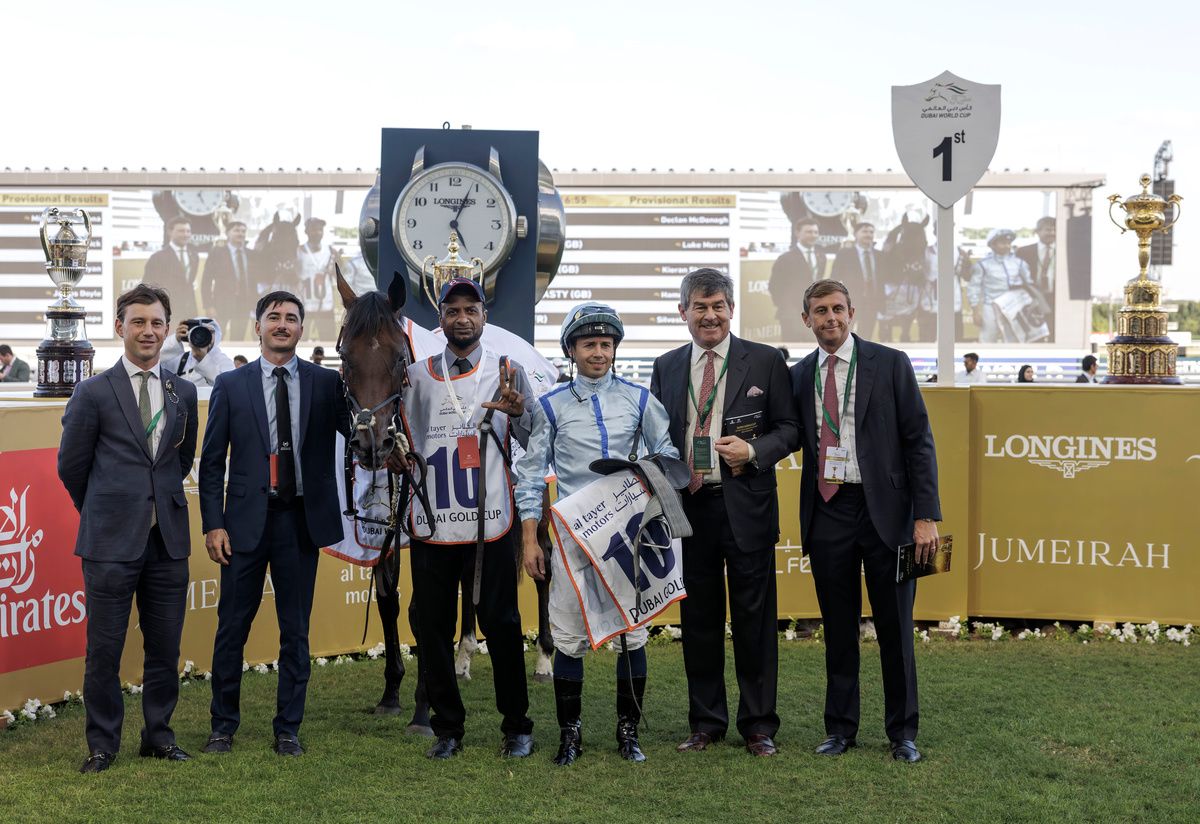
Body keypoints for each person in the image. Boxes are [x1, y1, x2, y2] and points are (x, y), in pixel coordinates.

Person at [516, 303, 676, 766]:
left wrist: (646, 477)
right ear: (571, 349)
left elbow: (665, 454)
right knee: (567, 634)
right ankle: (571, 735)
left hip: (628, 535)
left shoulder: (640, 399)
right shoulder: (550, 405)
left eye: (606, 344)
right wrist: (530, 539)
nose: (599, 352)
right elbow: (529, 477)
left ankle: (629, 734)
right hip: (571, 537)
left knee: (635, 631)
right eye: (590, 344)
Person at [650, 267, 800, 758]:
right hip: (690, 509)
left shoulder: (765, 361)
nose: (709, 315)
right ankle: (706, 722)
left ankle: (759, 725)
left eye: (717, 306)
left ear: (731, 309)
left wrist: (755, 451)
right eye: (699, 307)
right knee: (699, 620)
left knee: (755, 619)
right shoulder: (666, 366)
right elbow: (659, 437)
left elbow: (790, 428)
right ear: (683, 313)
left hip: (746, 505)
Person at [789, 279, 940, 763]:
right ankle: (840, 730)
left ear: (851, 312)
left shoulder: (890, 362)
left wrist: (925, 517)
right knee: (837, 628)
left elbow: (919, 441)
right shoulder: (798, 375)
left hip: (889, 516)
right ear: (806, 318)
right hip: (828, 510)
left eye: (837, 309)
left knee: (895, 629)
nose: (829, 318)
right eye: (819, 311)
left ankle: (903, 734)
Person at [198, 291, 351, 757]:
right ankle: (222, 726)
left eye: (291, 318)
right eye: (273, 317)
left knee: (296, 631)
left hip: (300, 523)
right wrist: (213, 524)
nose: (282, 324)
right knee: (231, 630)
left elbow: (364, 432)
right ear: (258, 324)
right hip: (244, 525)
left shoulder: (327, 385)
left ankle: (288, 728)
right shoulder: (231, 383)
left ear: (302, 328)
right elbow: (210, 464)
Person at [57, 284, 199, 773]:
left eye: (156, 322)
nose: (148, 331)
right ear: (120, 327)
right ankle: (103, 745)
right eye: (138, 322)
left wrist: (155, 502)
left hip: (168, 541)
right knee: (105, 651)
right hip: (109, 543)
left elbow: (180, 458)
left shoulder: (186, 390)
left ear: (166, 328)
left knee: (166, 648)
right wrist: (104, 508)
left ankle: (158, 736)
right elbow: (71, 467)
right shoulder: (92, 391)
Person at [402, 277, 536, 760]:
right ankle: (448, 729)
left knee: (501, 624)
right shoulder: (415, 377)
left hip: (490, 520)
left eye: (470, 309)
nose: (462, 318)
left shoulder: (507, 370)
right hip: (433, 522)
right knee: (433, 627)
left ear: (483, 317)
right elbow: (398, 440)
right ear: (440, 319)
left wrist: (520, 414)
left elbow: (534, 434)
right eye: (452, 310)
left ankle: (517, 725)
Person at [967, 228, 1034, 343]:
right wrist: (975, 311)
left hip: (1014, 307)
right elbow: (974, 288)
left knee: (1014, 340)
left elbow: (1029, 285)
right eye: (1002, 243)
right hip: (991, 307)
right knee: (988, 340)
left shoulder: (1019, 263)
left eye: (1008, 243)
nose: (1007, 246)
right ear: (992, 245)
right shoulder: (983, 264)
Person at [769, 218, 826, 341]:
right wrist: (787, 308)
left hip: (815, 314)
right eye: (809, 232)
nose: (813, 235)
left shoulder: (821, 256)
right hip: (791, 316)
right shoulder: (785, 258)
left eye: (816, 232)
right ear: (797, 233)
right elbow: (774, 287)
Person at [201, 221, 256, 340]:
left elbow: (254, 282)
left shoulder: (251, 254)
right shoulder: (217, 252)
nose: (240, 234)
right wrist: (208, 305)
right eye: (236, 230)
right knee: (214, 340)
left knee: (238, 339)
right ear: (227, 233)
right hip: (221, 303)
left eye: (243, 231)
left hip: (244, 304)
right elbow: (206, 281)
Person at [831, 222, 881, 339]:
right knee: (844, 335)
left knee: (866, 336)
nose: (868, 234)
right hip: (850, 302)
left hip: (873, 302)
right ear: (855, 234)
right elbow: (834, 278)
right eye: (864, 231)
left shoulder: (879, 255)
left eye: (871, 232)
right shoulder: (845, 254)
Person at [143, 217, 199, 321]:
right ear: (170, 232)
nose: (186, 234)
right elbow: (148, 287)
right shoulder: (158, 257)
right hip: (167, 312)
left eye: (188, 231)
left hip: (189, 311)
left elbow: (188, 284)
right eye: (181, 231)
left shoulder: (194, 255)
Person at [159, 318, 236, 387]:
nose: (203, 335)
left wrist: (203, 360)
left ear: (217, 336)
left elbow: (230, 386)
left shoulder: (224, 361)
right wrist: (175, 339)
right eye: (199, 332)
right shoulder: (179, 359)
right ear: (189, 334)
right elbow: (152, 358)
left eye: (210, 332)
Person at [1018, 217, 1057, 337]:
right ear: (1038, 231)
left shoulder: (1065, 251)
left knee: (1054, 334)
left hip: (1055, 299)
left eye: (1055, 230)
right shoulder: (1023, 252)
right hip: (1031, 300)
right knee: (1034, 335)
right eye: (1048, 229)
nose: (1052, 233)